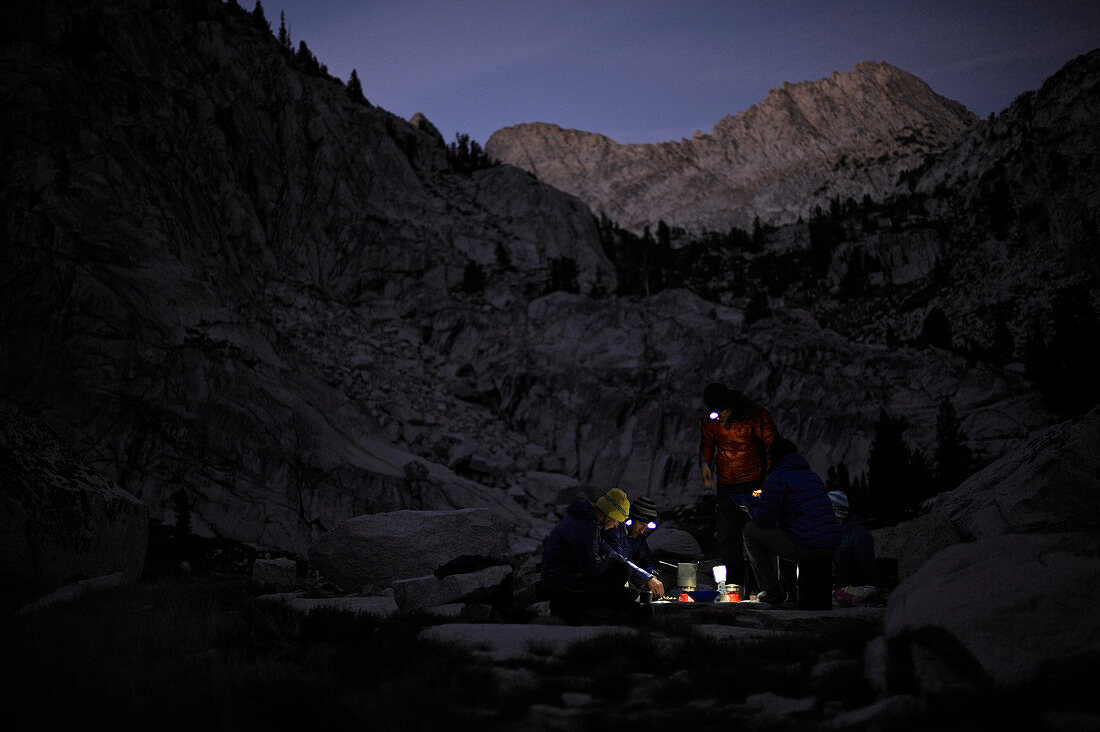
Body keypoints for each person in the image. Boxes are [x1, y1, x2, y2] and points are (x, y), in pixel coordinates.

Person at [698, 383, 779, 594]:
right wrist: (705, 464)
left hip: (753, 482)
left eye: (722, 413)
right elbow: (707, 442)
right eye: (715, 413)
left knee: (754, 532)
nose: (719, 418)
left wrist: (770, 478)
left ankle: (760, 585)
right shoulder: (712, 417)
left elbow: (773, 444)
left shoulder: (755, 415)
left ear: (731, 406)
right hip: (726, 483)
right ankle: (735, 584)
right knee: (726, 534)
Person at [540, 488, 664, 622]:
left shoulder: (589, 523)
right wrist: (613, 558)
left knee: (623, 575)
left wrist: (618, 559)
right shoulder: (586, 528)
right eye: (617, 521)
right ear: (610, 515)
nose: (617, 525)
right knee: (624, 584)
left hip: (568, 579)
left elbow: (609, 552)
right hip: (563, 585)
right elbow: (592, 569)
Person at [742, 439, 840, 604]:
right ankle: (790, 593)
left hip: (810, 546)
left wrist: (750, 508)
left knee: (751, 531)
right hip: (830, 545)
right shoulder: (811, 476)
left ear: (773, 458)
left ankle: (771, 591)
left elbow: (765, 520)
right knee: (786, 533)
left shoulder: (778, 477)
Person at [601, 496, 662, 593]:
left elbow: (647, 558)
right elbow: (620, 561)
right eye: (641, 524)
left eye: (646, 526)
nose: (642, 531)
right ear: (631, 519)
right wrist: (647, 578)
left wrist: (652, 573)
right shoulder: (614, 531)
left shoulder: (638, 537)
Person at [828, 490, 878, 588]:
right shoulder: (832, 533)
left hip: (856, 591)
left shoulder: (858, 534)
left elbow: (868, 569)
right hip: (839, 590)